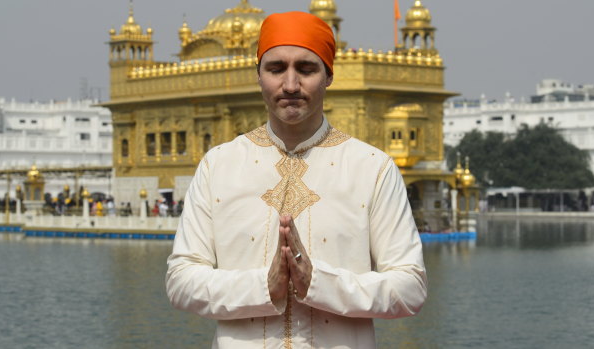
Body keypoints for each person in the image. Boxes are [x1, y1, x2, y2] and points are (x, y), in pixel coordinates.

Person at [166, 11, 427, 348]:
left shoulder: (371, 168)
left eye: (306, 69)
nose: (290, 85)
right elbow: (180, 281)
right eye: (276, 69)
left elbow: (410, 288)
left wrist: (320, 284)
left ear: (329, 75)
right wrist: (264, 286)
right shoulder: (220, 165)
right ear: (258, 76)